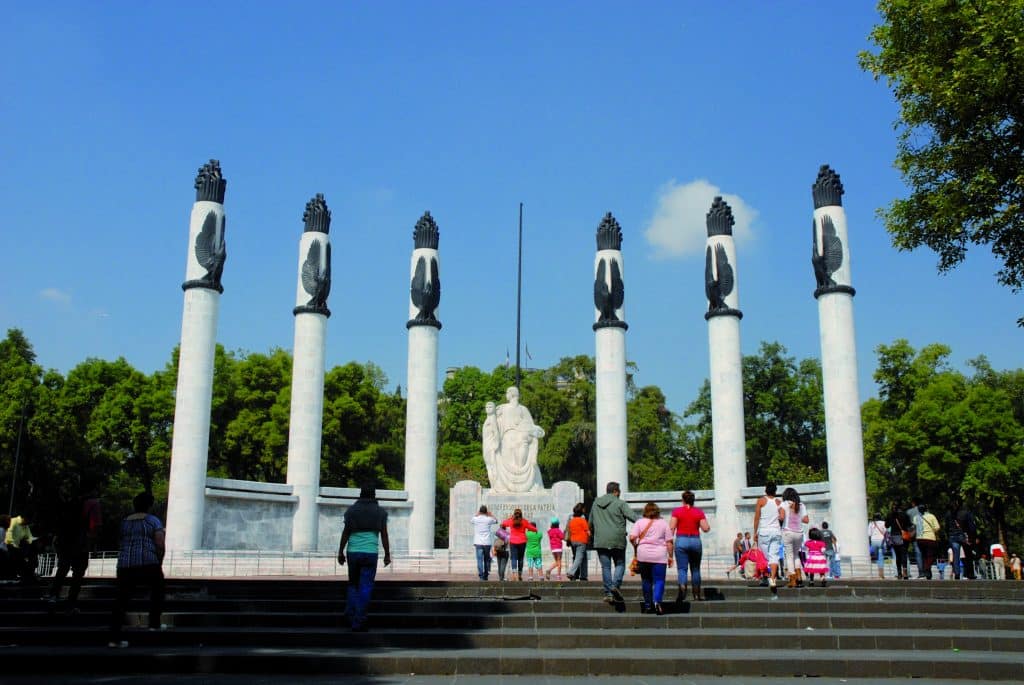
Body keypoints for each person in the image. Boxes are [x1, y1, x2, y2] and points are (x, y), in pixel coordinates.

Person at [109, 492, 165, 648]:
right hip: (148, 562)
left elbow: (119, 540)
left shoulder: (124, 522)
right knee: (158, 590)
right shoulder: (153, 521)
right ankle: (154, 623)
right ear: (149, 506)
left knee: (121, 600)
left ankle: (115, 637)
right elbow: (159, 542)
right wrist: (159, 559)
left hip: (125, 564)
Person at [337, 485, 391, 632]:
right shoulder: (380, 512)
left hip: (353, 552)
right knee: (365, 587)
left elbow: (346, 532)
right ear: (374, 496)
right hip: (370, 553)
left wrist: (340, 551)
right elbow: (384, 535)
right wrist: (387, 554)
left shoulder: (351, 511)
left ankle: (350, 613)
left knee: (353, 584)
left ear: (360, 495)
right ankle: (359, 620)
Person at [486, 387, 546, 493]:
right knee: (508, 463)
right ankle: (503, 486)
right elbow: (493, 422)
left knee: (521, 461)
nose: (506, 395)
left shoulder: (523, 409)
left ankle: (528, 483)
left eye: (507, 392)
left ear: (512, 394)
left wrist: (532, 430)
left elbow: (530, 426)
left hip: (520, 439)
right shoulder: (502, 408)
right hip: (506, 440)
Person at [49, 491, 102, 612]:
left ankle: (53, 595)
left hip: (65, 540)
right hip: (80, 541)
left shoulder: (71, 501)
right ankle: (71, 601)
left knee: (63, 568)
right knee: (78, 573)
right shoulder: (93, 503)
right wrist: (94, 545)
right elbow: (96, 525)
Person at [590, 481, 638, 603]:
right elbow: (634, 518)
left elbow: (590, 522)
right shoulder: (620, 503)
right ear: (616, 491)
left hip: (601, 540)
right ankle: (614, 586)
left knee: (605, 567)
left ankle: (608, 593)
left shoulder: (596, 503)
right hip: (617, 539)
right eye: (619, 491)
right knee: (620, 564)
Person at [629, 502, 673, 615]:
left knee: (646, 580)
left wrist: (636, 545)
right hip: (659, 556)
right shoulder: (663, 523)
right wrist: (671, 556)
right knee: (659, 580)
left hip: (643, 555)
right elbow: (669, 542)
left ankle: (648, 605)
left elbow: (632, 537)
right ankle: (657, 601)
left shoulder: (639, 522)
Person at [668, 490, 710, 601]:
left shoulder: (677, 511)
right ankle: (696, 594)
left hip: (681, 540)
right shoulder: (699, 512)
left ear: (683, 500)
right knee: (695, 569)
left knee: (682, 569)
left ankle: (682, 588)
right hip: (695, 540)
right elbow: (705, 528)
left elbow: (671, 528)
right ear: (693, 500)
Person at [753, 483, 785, 595]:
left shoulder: (761, 501)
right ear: (775, 491)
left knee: (764, 557)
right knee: (774, 556)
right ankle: (773, 578)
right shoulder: (779, 502)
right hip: (776, 532)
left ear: (766, 490)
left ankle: (764, 577)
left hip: (764, 532)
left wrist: (755, 532)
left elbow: (757, 518)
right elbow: (782, 517)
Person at [781, 487, 809, 588]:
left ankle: (792, 580)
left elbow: (781, 517)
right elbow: (806, 520)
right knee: (796, 555)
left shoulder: (784, 504)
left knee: (789, 556)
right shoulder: (801, 505)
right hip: (799, 533)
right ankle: (799, 577)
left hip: (788, 532)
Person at [501, 508, 537, 581]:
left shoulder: (511, 521)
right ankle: (520, 574)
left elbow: (503, 523)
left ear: (514, 514)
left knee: (514, 558)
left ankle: (514, 575)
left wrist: (510, 518)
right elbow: (533, 529)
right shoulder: (524, 521)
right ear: (521, 514)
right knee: (520, 558)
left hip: (513, 542)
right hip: (522, 542)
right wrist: (535, 530)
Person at [946, 502, 977, 579]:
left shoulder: (948, 514)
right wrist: (972, 537)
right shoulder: (966, 513)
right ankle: (970, 573)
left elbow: (946, 526)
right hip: (964, 535)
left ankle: (957, 573)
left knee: (956, 555)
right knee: (968, 554)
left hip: (952, 536)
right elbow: (972, 526)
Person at [5, 513, 38, 584]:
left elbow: (29, 536)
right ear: (24, 518)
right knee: (17, 556)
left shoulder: (25, 525)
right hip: (9, 546)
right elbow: (9, 534)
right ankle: (14, 574)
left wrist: (32, 540)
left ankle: (27, 574)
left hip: (19, 547)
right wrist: (15, 545)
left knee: (31, 551)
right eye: (29, 521)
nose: (29, 523)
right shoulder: (13, 521)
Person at [885, 503, 912, 580]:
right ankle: (905, 571)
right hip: (903, 537)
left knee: (897, 555)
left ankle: (899, 573)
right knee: (904, 554)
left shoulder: (890, 515)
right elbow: (909, 525)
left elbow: (886, 525)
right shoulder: (904, 515)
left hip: (894, 537)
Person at [471, 505, 497, 581]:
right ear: (486, 512)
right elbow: (496, 520)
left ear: (480, 511)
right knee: (486, 559)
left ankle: (481, 576)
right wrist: (490, 514)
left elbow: (472, 520)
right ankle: (486, 575)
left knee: (479, 560)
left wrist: (477, 514)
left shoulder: (476, 519)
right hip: (487, 542)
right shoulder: (489, 519)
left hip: (478, 542)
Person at [565, 503, 590, 581]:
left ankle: (580, 575)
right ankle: (571, 572)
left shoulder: (571, 520)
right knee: (579, 558)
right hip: (581, 541)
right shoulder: (582, 520)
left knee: (578, 557)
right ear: (581, 510)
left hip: (573, 541)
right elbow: (588, 531)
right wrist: (589, 537)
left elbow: (568, 530)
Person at [916, 503, 940, 579]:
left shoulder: (916, 517)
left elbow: (915, 526)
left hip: (919, 539)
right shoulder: (931, 516)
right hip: (930, 538)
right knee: (931, 555)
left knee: (924, 556)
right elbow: (937, 527)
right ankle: (927, 568)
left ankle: (928, 573)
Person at [906, 500, 925, 578]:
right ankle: (927, 571)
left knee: (918, 553)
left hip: (915, 535)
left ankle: (921, 572)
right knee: (925, 553)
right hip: (926, 535)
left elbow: (907, 524)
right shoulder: (926, 512)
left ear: (913, 503)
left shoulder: (909, 512)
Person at [868, 513, 888, 579]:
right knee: (881, 556)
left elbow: (869, 534)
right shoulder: (883, 523)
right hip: (881, 540)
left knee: (877, 557)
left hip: (874, 541)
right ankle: (881, 573)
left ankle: (879, 570)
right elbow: (885, 532)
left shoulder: (871, 523)